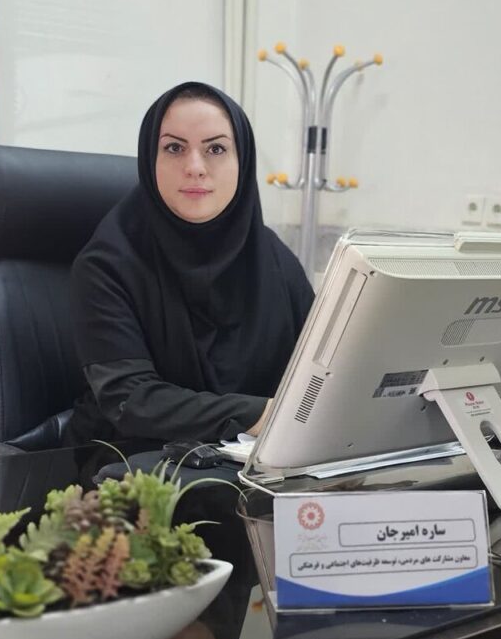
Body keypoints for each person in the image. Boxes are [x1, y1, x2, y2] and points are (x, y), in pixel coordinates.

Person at [64, 81, 314, 447]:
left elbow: (323, 370)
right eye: (174, 148)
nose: (195, 167)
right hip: (130, 463)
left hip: (251, 461)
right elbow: (130, 400)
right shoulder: (106, 266)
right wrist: (260, 416)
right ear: (150, 160)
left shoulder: (274, 259)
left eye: (216, 148)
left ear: (243, 161)